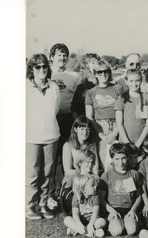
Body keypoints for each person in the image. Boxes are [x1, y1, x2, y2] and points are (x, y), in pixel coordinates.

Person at [26, 53, 60, 220]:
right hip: (31, 138)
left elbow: (55, 109)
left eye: (44, 66)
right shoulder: (24, 87)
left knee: (48, 173)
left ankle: (43, 203)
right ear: (32, 69)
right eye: (37, 67)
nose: (41, 70)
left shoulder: (54, 87)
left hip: (51, 136)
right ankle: (30, 205)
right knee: (33, 172)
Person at [49, 43, 82, 208]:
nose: (62, 58)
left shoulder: (74, 76)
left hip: (68, 118)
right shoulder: (46, 73)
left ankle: (65, 190)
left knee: (66, 154)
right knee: (51, 157)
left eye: (64, 55)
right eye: (58, 54)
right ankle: (50, 193)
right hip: (49, 119)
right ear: (52, 57)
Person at [99, 143, 144, 237]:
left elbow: (139, 196)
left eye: (123, 158)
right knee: (117, 232)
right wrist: (111, 211)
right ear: (112, 159)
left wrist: (133, 210)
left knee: (132, 231)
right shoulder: (107, 175)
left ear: (127, 157)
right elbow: (101, 198)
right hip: (114, 209)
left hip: (129, 209)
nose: (121, 162)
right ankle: (112, 223)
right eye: (117, 159)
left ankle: (133, 222)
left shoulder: (134, 174)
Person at [85, 60, 123, 172]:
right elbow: (89, 116)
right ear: (95, 74)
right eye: (99, 72)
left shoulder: (118, 88)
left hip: (117, 127)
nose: (103, 75)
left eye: (106, 71)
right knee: (102, 163)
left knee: (117, 161)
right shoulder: (91, 92)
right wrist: (100, 134)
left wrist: (115, 133)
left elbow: (123, 111)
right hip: (99, 128)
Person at [60, 117, 99, 214]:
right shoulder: (68, 145)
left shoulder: (92, 144)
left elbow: (95, 166)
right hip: (74, 176)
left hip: (89, 173)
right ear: (75, 130)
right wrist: (82, 175)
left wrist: (94, 177)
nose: (85, 132)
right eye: (82, 129)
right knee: (73, 186)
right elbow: (67, 170)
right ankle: (74, 209)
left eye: (87, 129)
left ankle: (93, 208)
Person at [115, 69, 148, 148]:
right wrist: (127, 143)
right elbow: (119, 123)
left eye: (137, 80)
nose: (134, 84)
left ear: (141, 81)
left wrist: (138, 144)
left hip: (143, 142)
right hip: (125, 143)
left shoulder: (147, 98)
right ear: (126, 81)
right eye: (131, 81)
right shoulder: (121, 99)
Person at [63, 173, 106, 237]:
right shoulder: (76, 197)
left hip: (93, 221)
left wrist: (91, 224)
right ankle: (88, 232)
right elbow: (75, 213)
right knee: (66, 219)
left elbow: (95, 212)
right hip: (81, 221)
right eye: (92, 185)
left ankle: (77, 230)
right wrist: (80, 224)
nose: (95, 187)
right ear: (83, 190)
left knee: (102, 222)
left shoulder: (95, 197)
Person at [71, 53, 100, 119]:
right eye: (92, 63)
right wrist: (78, 123)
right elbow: (74, 108)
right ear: (87, 65)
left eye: (97, 63)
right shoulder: (81, 87)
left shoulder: (104, 84)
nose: (95, 65)